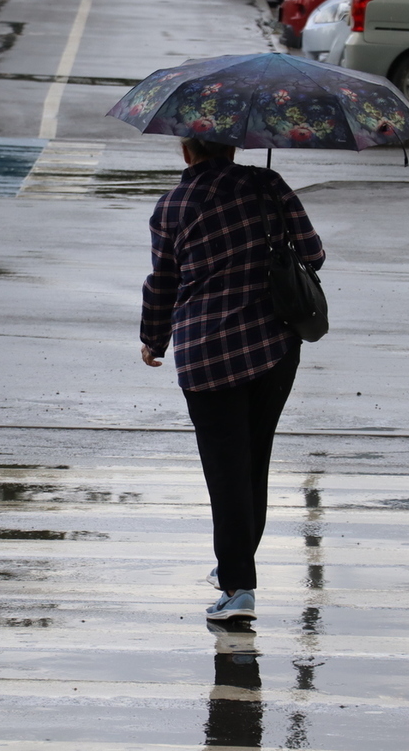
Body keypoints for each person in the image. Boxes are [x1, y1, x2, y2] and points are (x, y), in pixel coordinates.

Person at [140, 137, 325, 621]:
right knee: (252, 462)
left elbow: (163, 281)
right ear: (235, 145)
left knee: (225, 472)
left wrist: (153, 340)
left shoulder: (173, 205)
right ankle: (235, 570)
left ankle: (239, 586)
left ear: (187, 152)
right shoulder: (268, 185)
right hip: (273, 345)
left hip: (207, 353)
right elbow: (315, 254)